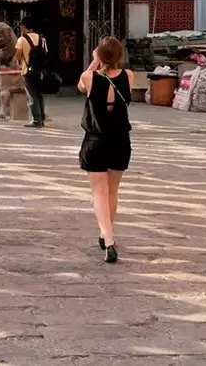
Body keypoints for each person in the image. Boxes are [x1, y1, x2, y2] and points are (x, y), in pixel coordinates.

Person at [78, 36, 134, 263]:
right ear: (120, 56)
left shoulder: (89, 77)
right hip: (120, 140)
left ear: (99, 55)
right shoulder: (128, 76)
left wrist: (94, 61)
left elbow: (81, 86)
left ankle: (108, 240)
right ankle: (106, 233)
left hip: (96, 141)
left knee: (98, 193)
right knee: (112, 191)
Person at [15, 17, 50, 128]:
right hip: (40, 71)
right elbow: (45, 53)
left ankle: (36, 120)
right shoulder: (42, 38)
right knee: (39, 94)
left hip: (27, 70)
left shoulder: (22, 39)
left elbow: (17, 55)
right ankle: (42, 118)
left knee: (32, 95)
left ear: (24, 26)